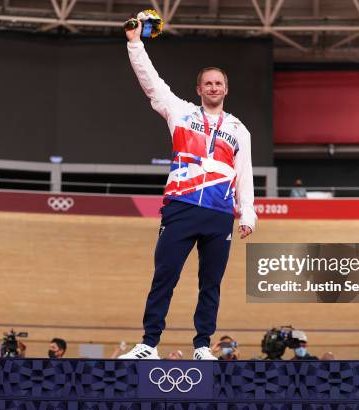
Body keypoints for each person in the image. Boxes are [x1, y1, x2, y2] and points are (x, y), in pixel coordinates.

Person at [119, 17, 257, 361]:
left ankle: (201, 346)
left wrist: (249, 214)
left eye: (218, 83)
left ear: (226, 89)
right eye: (207, 83)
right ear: (199, 89)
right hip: (180, 207)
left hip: (219, 214)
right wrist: (136, 43)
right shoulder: (179, 113)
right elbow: (151, 83)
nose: (213, 88)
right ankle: (149, 344)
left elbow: (245, 174)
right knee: (164, 276)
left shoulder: (239, 130)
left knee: (210, 285)